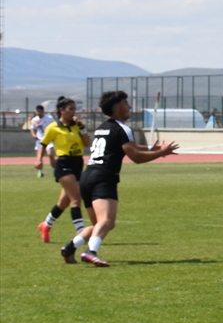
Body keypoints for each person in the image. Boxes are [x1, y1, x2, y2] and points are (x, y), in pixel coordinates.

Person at [60, 90, 178, 267]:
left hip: (87, 176)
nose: (129, 106)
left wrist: (149, 148)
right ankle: (90, 252)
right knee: (107, 221)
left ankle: (70, 247)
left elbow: (126, 146)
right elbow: (136, 157)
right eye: (125, 103)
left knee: (98, 224)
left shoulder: (103, 127)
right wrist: (162, 152)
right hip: (103, 177)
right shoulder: (123, 128)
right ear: (116, 108)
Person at [37, 97, 90, 245]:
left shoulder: (76, 126)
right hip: (64, 163)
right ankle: (82, 233)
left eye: (74, 109)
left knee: (63, 203)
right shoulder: (53, 127)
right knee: (76, 199)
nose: (74, 112)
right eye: (70, 109)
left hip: (78, 163)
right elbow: (43, 144)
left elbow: (87, 143)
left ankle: (45, 225)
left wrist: (83, 128)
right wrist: (39, 159)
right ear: (61, 110)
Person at [29, 103, 53, 177]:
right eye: (38, 111)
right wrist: (33, 134)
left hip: (49, 139)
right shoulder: (35, 120)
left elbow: (55, 126)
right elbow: (31, 128)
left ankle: (54, 170)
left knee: (50, 154)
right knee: (39, 157)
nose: (39, 113)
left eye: (40, 111)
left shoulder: (49, 118)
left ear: (43, 111)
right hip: (39, 141)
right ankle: (40, 171)